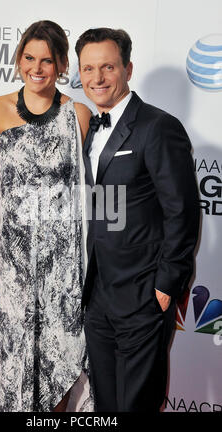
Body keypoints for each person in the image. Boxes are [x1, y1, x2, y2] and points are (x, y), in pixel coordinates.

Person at [75, 27, 200, 412]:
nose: (97, 78)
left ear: (127, 68)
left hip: (144, 294)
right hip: (97, 298)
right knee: (106, 407)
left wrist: (166, 285)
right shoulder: (84, 128)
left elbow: (183, 211)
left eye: (108, 67)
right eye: (89, 68)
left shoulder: (158, 126)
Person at [0, 20, 92, 412]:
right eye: (28, 58)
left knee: (61, 374)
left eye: (47, 60)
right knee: (14, 377)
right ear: (18, 58)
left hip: (64, 274)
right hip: (15, 271)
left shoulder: (79, 116)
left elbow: (91, 197)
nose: (36, 69)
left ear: (60, 64)